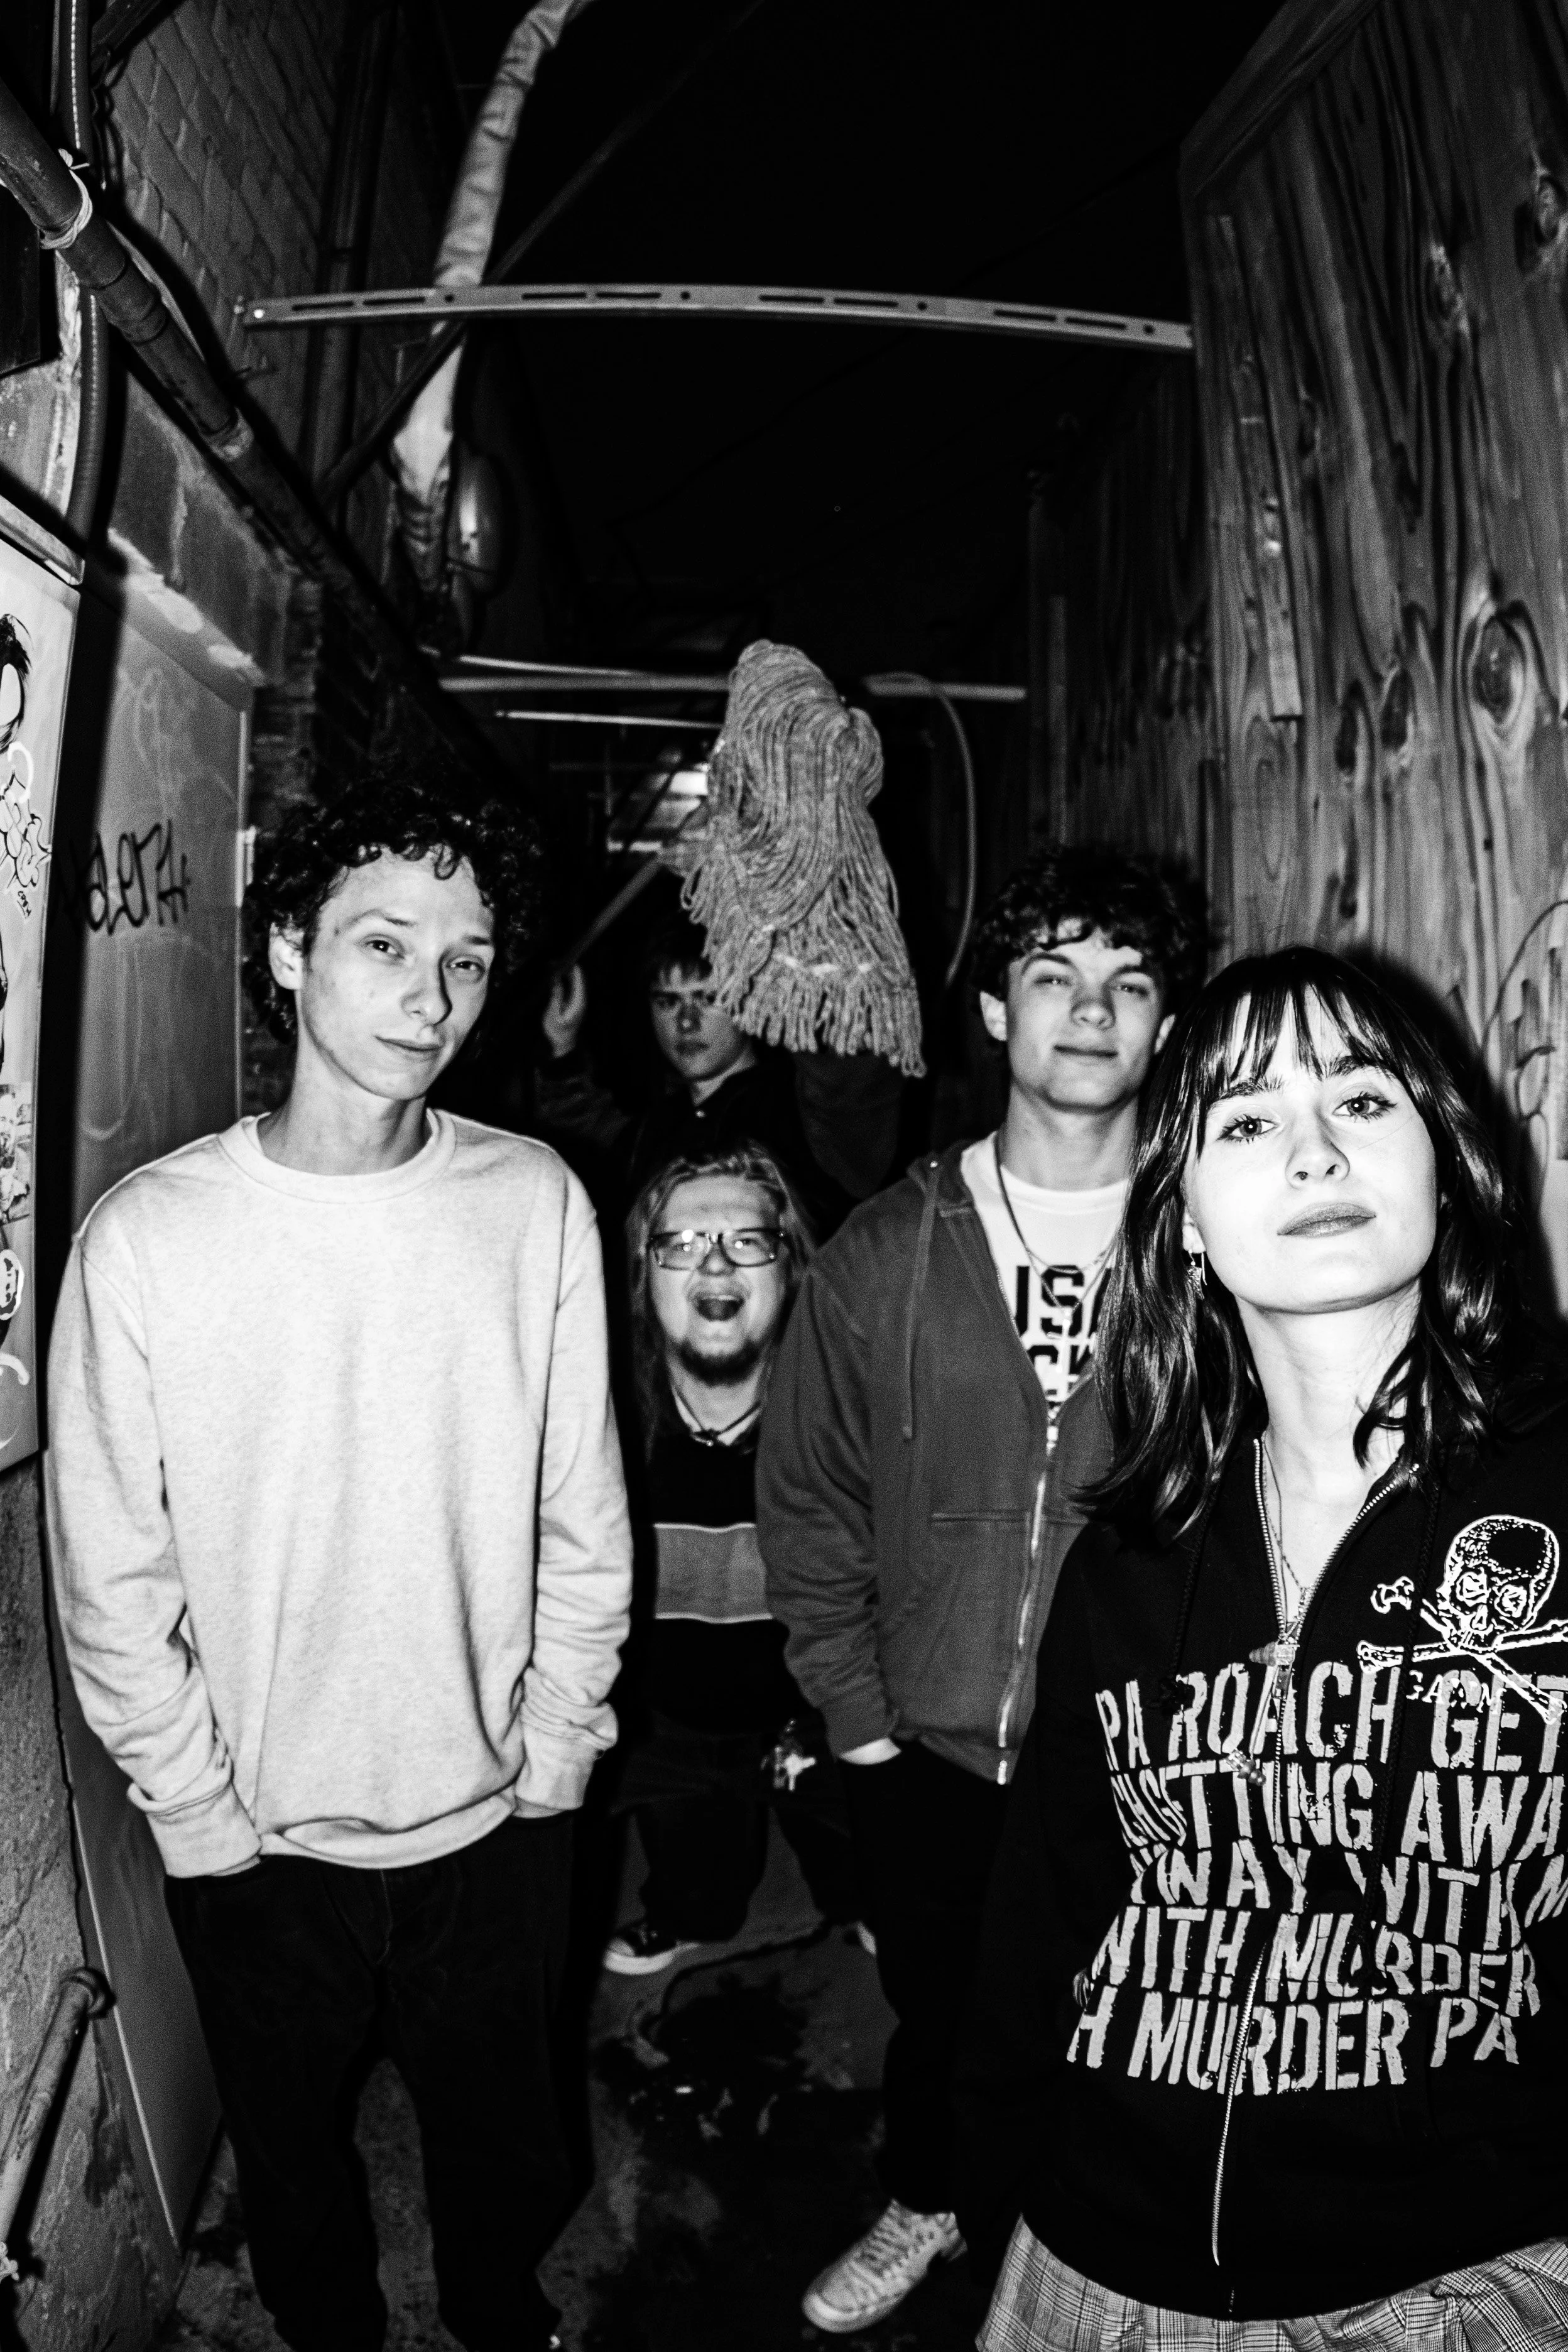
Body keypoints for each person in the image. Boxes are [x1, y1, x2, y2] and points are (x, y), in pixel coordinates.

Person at [47, 763, 633, 2352]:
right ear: (290, 948)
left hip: (495, 1816)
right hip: (261, 1842)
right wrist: (199, 1815)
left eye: (466, 959)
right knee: (293, 2173)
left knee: (507, 2152)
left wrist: (557, 1756)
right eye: (385, 944)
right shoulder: (149, 1238)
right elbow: (113, 1579)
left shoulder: (531, 1203)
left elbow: (583, 1515)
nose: (431, 997)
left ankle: (503, 2315)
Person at [956, 945, 1568, 2348]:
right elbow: (1043, 1920)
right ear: (1180, 1217)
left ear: (1445, 1161)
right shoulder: (1131, 1559)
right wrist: (998, 2201)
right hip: (1098, 2258)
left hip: (1465, 2273)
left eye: (1361, 1100)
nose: (1313, 1150)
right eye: (1246, 1119)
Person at [757, 844, 1207, 2334]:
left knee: (1128, 2023)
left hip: (1136, 1751)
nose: (1092, 1009)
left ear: (1164, 1024)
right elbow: (809, 1501)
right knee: (945, 2013)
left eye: (1128, 983)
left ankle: (1089, 2255)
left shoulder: (1207, 1251)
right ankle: (931, 2194)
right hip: (928, 1746)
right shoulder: (886, 1251)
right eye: (1054, 976)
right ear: (996, 1012)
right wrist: (860, 1726)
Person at [602, 1145, 857, 1974]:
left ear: (791, 1266)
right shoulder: (595, 1427)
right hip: (662, 1720)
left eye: (747, 1241)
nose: (714, 1264)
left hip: (815, 1714)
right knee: (700, 1892)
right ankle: (685, 1910)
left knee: (867, 1875)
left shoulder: (852, 1420)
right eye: (682, 1244)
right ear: (644, 1273)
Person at [536, 903, 903, 1233]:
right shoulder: (655, 1129)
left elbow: (851, 1080)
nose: (686, 1022)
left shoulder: (801, 1112)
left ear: (750, 1000)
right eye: (668, 1002)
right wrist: (563, 1045)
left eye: (708, 998)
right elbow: (588, 1140)